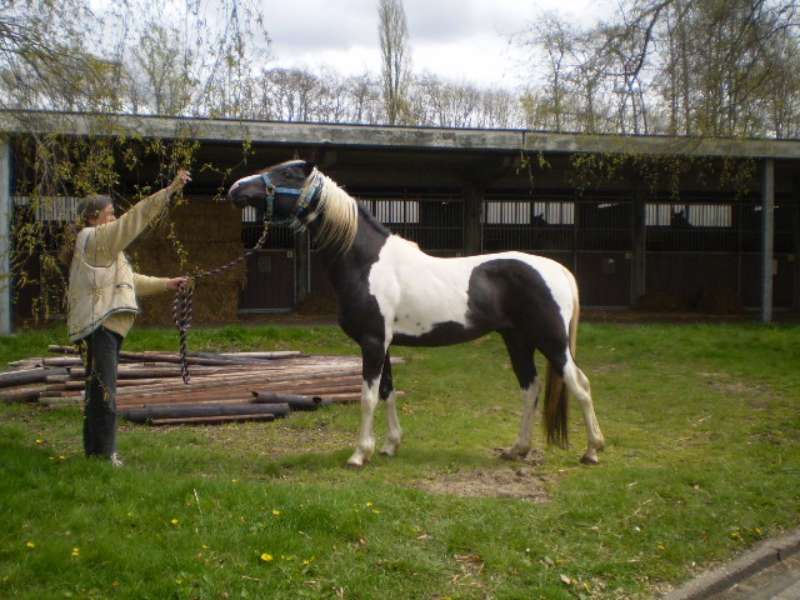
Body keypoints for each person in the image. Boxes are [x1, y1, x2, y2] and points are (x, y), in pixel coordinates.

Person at [66, 170, 192, 466]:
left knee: (99, 391)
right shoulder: (93, 238)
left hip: (104, 327)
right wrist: (169, 191)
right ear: (93, 217)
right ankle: (104, 455)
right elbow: (135, 219)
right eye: (109, 215)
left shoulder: (104, 248)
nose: (114, 219)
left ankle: (95, 453)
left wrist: (166, 283)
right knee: (105, 392)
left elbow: (128, 280)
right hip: (100, 327)